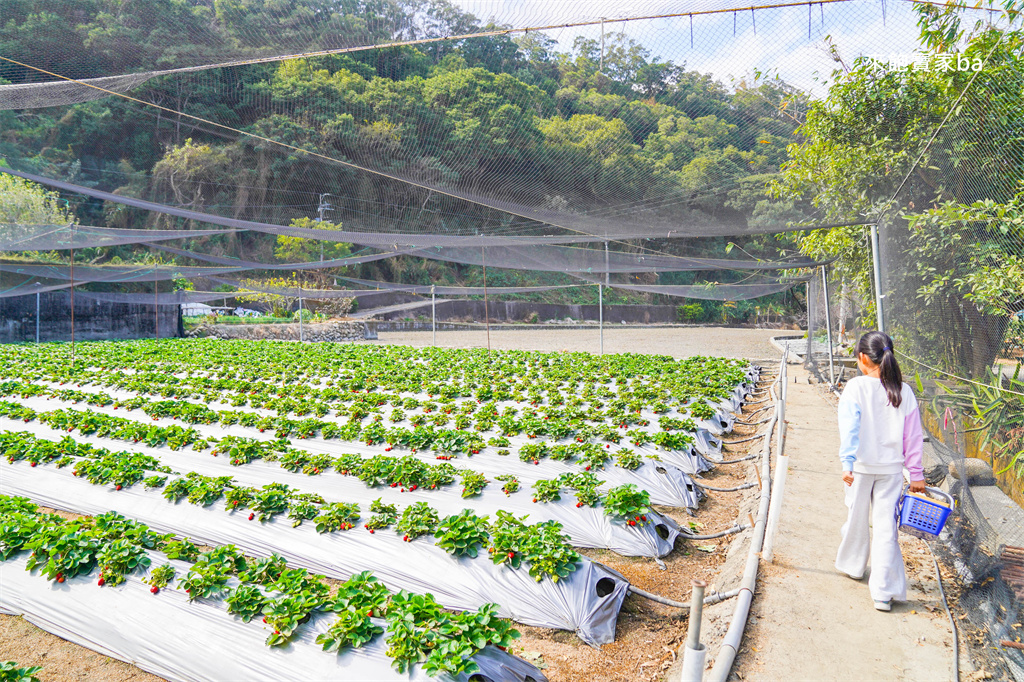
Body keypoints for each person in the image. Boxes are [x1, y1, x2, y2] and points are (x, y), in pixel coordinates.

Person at [834, 330, 925, 612]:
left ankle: (853, 566)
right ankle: (884, 593)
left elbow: (849, 429)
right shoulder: (903, 391)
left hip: (859, 468)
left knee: (856, 517)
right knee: (887, 529)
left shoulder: (855, 387)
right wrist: (917, 474)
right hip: (891, 471)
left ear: (862, 358)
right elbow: (913, 436)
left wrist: (846, 462)